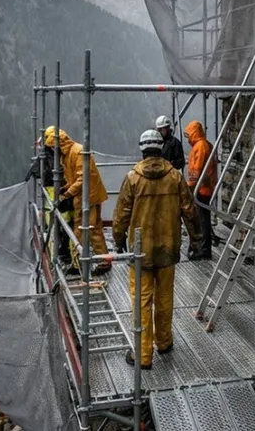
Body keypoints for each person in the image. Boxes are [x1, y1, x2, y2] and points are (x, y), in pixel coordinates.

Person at [112, 129, 202, 369]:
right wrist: (196, 239)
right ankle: (164, 342)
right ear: (161, 148)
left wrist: (118, 241)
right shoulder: (175, 177)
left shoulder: (133, 178)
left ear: (142, 149)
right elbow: (190, 211)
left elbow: (121, 215)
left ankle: (143, 355)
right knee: (164, 298)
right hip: (168, 249)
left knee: (141, 302)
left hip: (140, 252)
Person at [43, 126, 111, 276]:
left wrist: (66, 194)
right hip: (86, 196)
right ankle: (102, 261)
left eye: (52, 148)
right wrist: (66, 188)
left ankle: (78, 264)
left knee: (81, 230)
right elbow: (73, 177)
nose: (52, 151)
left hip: (88, 197)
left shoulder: (78, 152)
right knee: (94, 229)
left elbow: (82, 179)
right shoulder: (68, 154)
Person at [29, 141, 74, 268]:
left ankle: (57, 256)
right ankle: (64, 253)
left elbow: (36, 173)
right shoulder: (63, 155)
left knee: (55, 227)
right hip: (64, 195)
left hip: (55, 196)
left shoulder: (48, 157)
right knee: (66, 226)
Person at [184, 121, 216, 259]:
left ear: (193, 133)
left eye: (188, 135)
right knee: (202, 219)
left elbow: (196, 169)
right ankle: (203, 248)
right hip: (202, 187)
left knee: (202, 220)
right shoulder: (202, 145)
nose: (188, 138)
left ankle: (204, 250)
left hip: (202, 189)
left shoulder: (200, 146)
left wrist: (190, 186)